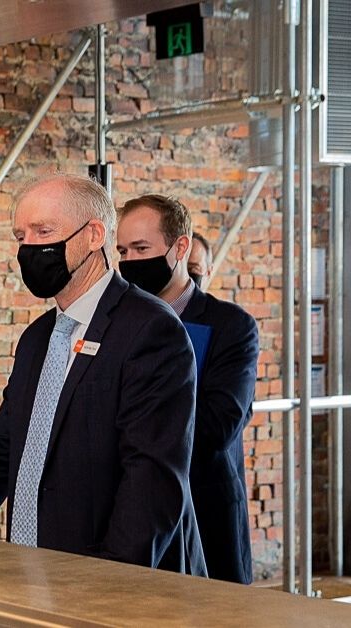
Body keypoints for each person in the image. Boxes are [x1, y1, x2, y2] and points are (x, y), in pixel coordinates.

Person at [0, 174, 206, 575]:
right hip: (32, 573)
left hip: (102, 580)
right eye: (21, 236)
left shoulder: (150, 330)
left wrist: (107, 582)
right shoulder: (37, 338)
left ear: (94, 235)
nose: (28, 247)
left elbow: (151, 480)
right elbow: (0, 451)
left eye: (43, 232)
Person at [117, 195, 258, 584]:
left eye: (141, 249)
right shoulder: (114, 323)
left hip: (205, 513)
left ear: (180, 248)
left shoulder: (231, 326)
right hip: (129, 519)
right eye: (123, 251)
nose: (130, 261)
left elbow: (218, 424)